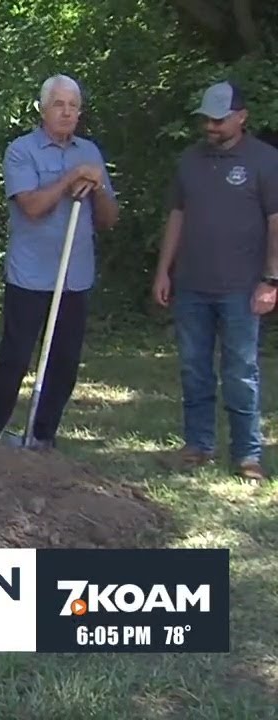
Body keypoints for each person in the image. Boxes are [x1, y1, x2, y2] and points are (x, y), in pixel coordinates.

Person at [0, 74, 119, 449]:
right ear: (43, 109)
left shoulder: (91, 152)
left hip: (75, 276)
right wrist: (71, 179)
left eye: (73, 106)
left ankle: (41, 435)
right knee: (15, 359)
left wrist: (97, 186)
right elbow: (32, 207)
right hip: (30, 276)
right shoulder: (22, 150)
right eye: (59, 104)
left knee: (64, 362)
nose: (66, 112)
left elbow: (109, 219)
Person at [152, 81, 278, 482]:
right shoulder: (189, 160)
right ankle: (198, 445)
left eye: (219, 119)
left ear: (241, 117)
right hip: (192, 284)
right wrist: (163, 270)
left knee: (241, 370)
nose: (211, 126)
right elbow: (177, 215)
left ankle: (248, 454)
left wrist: (270, 279)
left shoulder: (265, 160)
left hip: (242, 287)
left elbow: (276, 223)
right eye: (206, 118)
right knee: (194, 369)